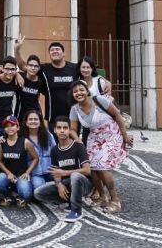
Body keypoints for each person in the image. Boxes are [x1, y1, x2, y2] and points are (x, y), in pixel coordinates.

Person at [69, 80, 132, 213]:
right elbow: (72, 129)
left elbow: (117, 115)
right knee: (92, 167)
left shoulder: (99, 100)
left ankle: (115, 201)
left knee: (103, 166)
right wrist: (77, 139)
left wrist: (125, 135)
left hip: (111, 134)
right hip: (94, 138)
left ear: (87, 91)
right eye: (75, 91)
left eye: (81, 90)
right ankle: (102, 196)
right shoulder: (74, 109)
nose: (78, 93)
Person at [34, 116, 92, 222]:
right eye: (59, 128)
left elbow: (87, 170)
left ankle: (76, 210)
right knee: (38, 193)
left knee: (75, 176)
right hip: (66, 183)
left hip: (83, 184)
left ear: (69, 130)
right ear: (55, 130)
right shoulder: (54, 150)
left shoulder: (78, 147)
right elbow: (56, 173)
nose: (62, 130)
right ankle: (69, 200)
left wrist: (64, 172)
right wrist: (59, 184)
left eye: (65, 128)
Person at [0, 115, 38, 207]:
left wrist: (27, 172)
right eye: (7, 126)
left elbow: (36, 158)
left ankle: (20, 196)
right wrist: (8, 173)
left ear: (18, 127)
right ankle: (8, 196)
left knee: (26, 193)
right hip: (8, 174)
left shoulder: (25, 142)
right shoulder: (2, 143)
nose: (9, 128)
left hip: (21, 174)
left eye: (12, 125)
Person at [20, 110, 55, 193]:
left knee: (63, 182)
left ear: (40, 122)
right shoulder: (21, 138)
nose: (33, 121)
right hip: (35, 173)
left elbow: (55, 151)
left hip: (50, 170)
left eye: (36, 119)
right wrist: (3, 138)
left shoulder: (48, 135)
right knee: (38, 188)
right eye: (30, 119)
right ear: (26, 122)